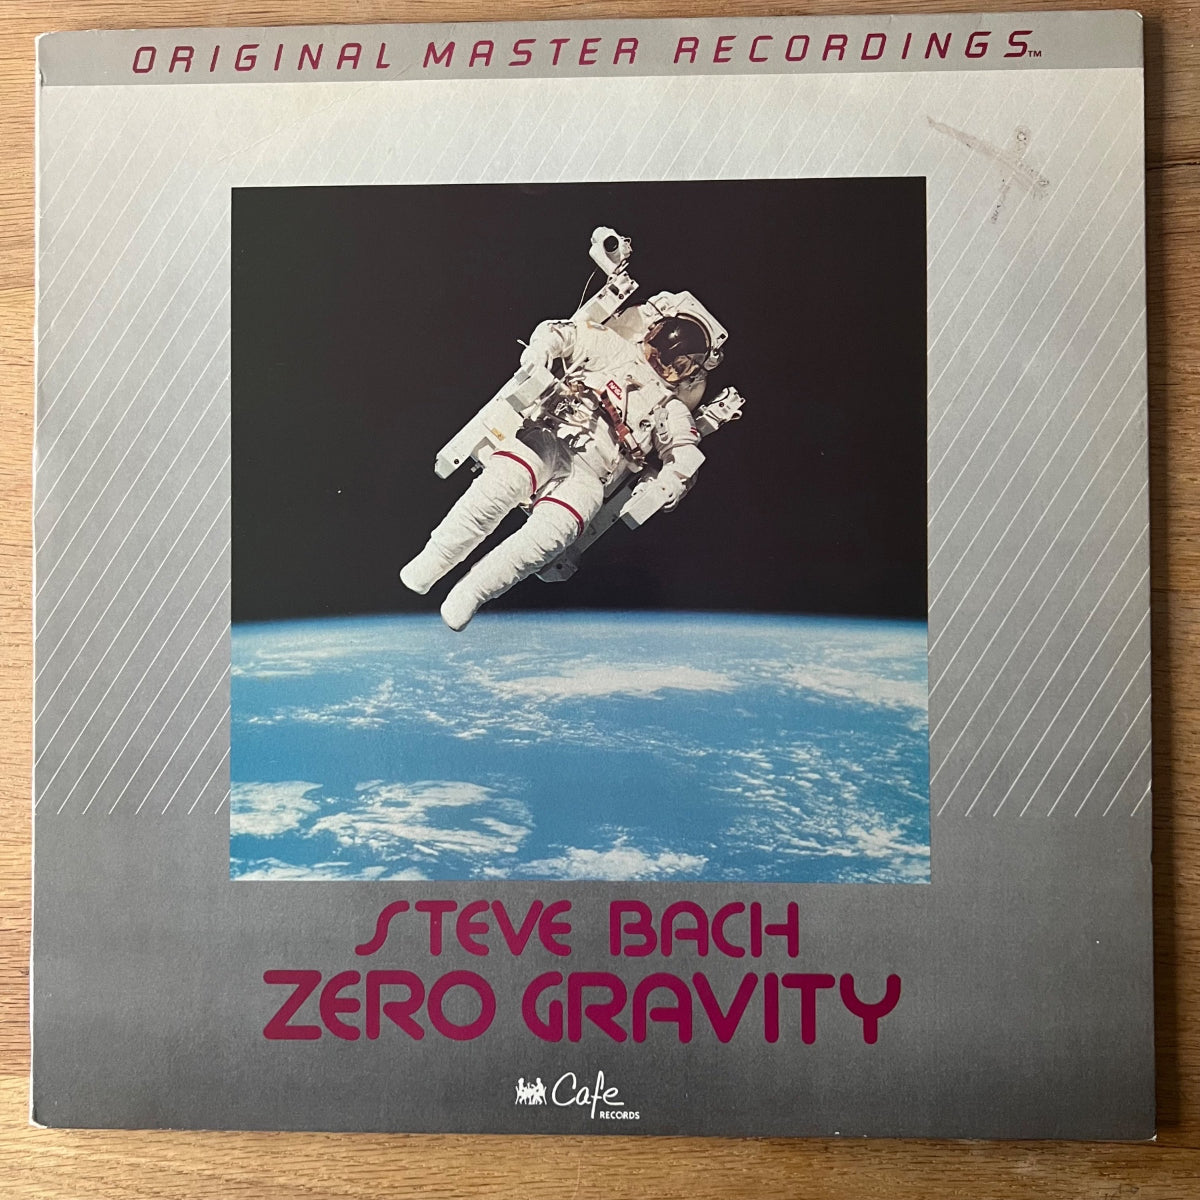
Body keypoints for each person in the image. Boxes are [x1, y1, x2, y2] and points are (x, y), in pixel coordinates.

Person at [399, 312, 711, 630]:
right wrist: (539, 354)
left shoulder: (671, 409)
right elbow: (560, 334)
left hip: (591, 475)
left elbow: (685, 453)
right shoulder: (613, 347)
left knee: (548, 538)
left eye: (684, 367)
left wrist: (673, 482)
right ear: (655, 340)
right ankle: (434, 560)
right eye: (671, 359)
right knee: (497, 489)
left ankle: (472, 591)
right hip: (552, 433)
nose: (672, 369)